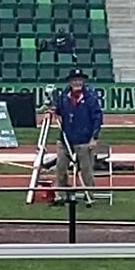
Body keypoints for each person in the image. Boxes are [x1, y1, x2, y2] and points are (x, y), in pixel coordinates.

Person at [51, 68, 104, 207]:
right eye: (74, 80)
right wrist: (52, 111)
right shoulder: (64, 96)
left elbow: (98, 118)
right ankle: (61, 195)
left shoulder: (90, 98)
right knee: (60, 168)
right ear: (70, 82)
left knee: (86, 170)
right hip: (65, 139)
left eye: (79, 80)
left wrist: (94, 138)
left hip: (84, 140)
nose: (77, 83)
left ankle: (89, 195)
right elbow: (58, 109)